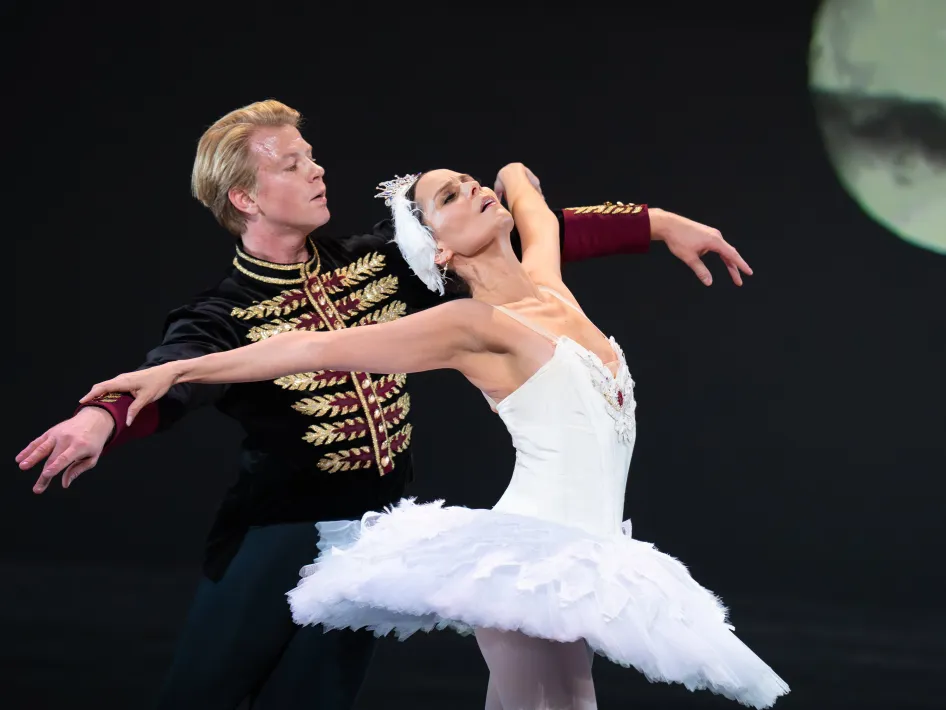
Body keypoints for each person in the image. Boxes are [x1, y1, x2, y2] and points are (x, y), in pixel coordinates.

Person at [16, 100, 752, 710]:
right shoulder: (224, 310)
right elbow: (179, 371)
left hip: (373, 533)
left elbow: (528, 236)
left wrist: (656, 222)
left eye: (312, 155)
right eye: (292, 163)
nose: (317, 168)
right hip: (277, 532)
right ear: (245, 197)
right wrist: (101, 418)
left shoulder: (384, 260)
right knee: (202, 694)